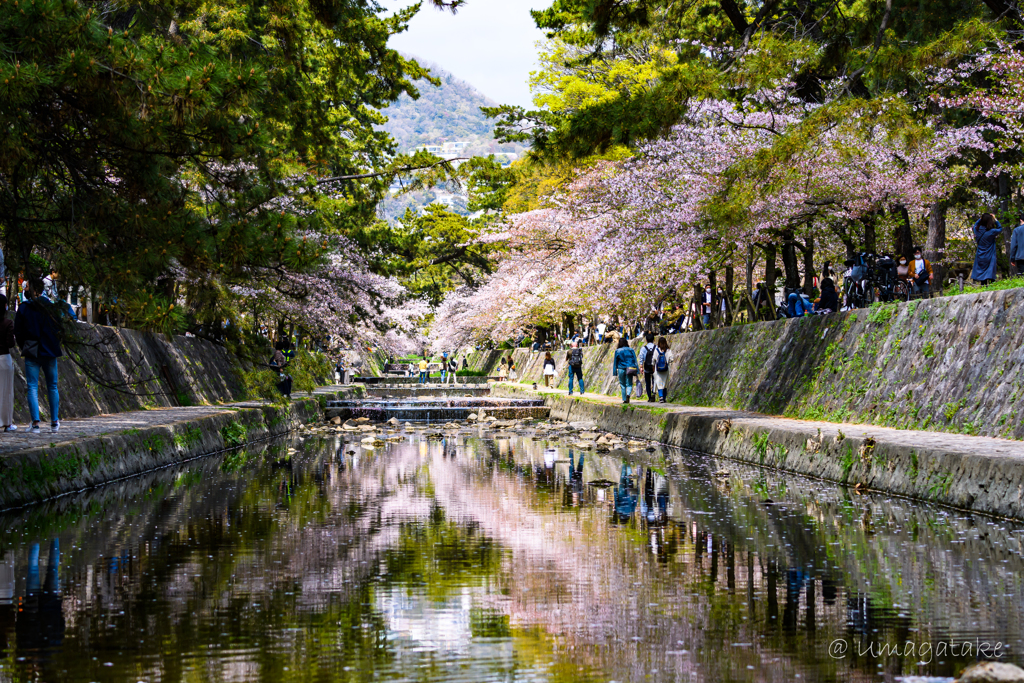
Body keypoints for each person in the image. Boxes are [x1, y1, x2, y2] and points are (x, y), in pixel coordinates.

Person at [15, 277, 63, 433]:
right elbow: (59, 329)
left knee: (32, 387)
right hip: (50, 350)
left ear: (34, 290)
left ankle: (35, 423)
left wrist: (25, 345)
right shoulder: (52, 308)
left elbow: (18, 331)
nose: (25, 289)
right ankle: (54, 422)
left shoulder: (24, 308)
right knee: (52, 386)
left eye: (27, 287)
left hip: (32, 350)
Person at [971, 212, 1003, 285]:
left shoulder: (977, 230)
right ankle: (992, 286)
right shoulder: (992, 231)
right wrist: (995, 219)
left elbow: (975, 225)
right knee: (991, 270)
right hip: (990, 253)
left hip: (980, 254)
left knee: (982, 272)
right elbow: (1000, 229)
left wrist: (980, 219)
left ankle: (983, 286)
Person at [0, 295, 14, 432]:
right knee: (6, 392)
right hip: (4, 358)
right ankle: (7, 423)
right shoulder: (8, 323)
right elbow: (11, 343)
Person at [611, 337, 638, 404]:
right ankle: (628, 394)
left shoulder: (617, 351)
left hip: (621, 368)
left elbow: (615, 362)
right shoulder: (631, 350)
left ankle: (624, 399)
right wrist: (637, 370)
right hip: (630, 368)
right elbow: (635, 360)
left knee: (622, 385)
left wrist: (614, 371)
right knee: (629, 384)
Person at [651, 336, 674, 403]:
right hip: (666, 370)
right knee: (665, 384)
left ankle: (661, 397)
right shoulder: (668, 350)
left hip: (658, 370)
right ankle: (664, 397)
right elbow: (672, 359)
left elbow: (653, 361)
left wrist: (653, 369)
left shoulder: (656, 350)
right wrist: (668, 362)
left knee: (659, 383)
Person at [637, 332, 657, 402]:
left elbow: (641, 358)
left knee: (647, 382)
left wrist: (641, 367)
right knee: (654, 381)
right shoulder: (656, 347)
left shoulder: (643, 348)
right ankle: (654, 393)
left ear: (646, 340)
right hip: (655, 367)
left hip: (647, 367)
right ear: (653, 340)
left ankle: (649, 397)